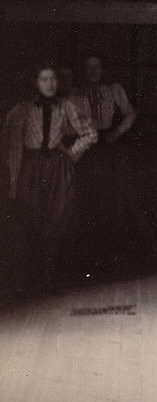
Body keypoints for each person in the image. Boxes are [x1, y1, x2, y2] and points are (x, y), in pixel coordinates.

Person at [2, 62, 98, 293]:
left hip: (56, 170)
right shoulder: (21, 111)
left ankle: (49, 281)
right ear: (35, 83)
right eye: (44, 79)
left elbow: (90, 132)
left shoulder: (65, 107)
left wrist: (70, 155)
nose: (50, 84)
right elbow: (13, 149)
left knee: (56, 221)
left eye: (53, 79)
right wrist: (14, 182)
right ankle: (25, 283)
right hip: (31, 170)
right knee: (29, 220)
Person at [70, 53, 139, 273]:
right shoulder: (74, 94)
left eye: (97, 66)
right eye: (88, 67)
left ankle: (110, 249)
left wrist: (117, 132)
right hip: (85, 148)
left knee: (111, 195)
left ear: (103, 69)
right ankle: (87, 253)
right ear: (82, 70)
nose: (93, 71)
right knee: (87, 196)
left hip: (107, 146)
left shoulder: (113, 90)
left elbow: (130, 113)